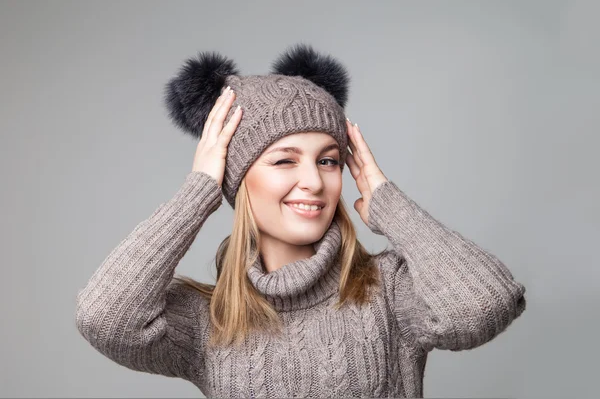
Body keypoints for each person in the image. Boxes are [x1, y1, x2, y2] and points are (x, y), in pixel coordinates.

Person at [75, 43, 526, 398]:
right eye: (284, 161)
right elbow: (105, 318)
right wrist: (199, 192)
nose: (313, 181)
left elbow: (486, 305)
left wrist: (389, 204)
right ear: (237, 180)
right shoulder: (209, 322)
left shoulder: (388, 290)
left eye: (328, 161)